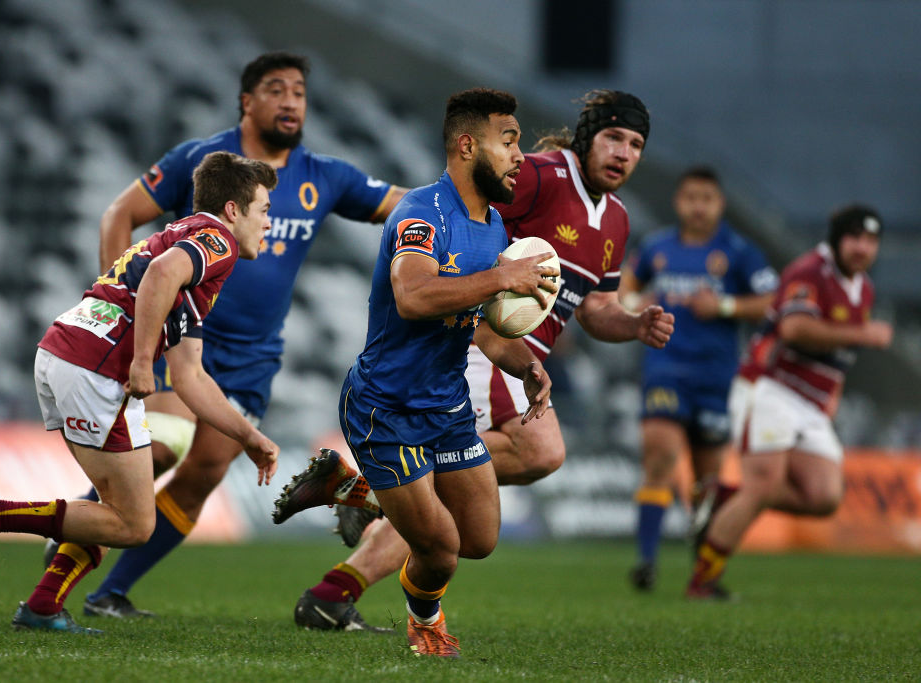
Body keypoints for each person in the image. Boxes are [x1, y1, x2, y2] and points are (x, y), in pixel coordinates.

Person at [272, 90, 674, 631]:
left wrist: (633, 323)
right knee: (540, 450)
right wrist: (493, 280)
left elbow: (597, 308)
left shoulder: (618, 220)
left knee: (462, 527)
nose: (624, 152)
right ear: (586, 138)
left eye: (636, 144)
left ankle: (337, 580)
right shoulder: (542, 176)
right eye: (614, 137)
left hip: (512, 354)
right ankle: (380, 497)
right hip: (476, 341)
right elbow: (465, 211)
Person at [68, 51, 407, 623]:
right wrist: (128, 316)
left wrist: (471, 203)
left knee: (202, 474)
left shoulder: (326, 176)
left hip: (253, 358)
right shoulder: (202, 160)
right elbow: (117, 216)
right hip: (183, 341)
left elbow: (409, 204)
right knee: (160, 453)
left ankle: (108, 594)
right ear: (247, 102)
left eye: (299, 90)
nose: (291, 100)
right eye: (276, 89)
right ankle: (65, 534)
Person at [0, 152, 281, 634]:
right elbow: (159, 276)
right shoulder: (217, 241)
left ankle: (43, 605)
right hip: (94, 369)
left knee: (115, 506)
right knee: (133, 523)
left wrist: (248, 437)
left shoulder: (183, 241)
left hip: (62, 352)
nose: (270, 224)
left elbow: (191, 376)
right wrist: (139, 361)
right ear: (234, 210)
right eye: (264, 210)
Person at [315, 86, 566, 657]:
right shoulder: (422, 213)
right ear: (466, 144)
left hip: (447, 406)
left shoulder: (495, 227)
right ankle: (424, 621)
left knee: (480, 539)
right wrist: (505, 278)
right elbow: (412, 295)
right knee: (442, 548)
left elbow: (477, 324)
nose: (519, 155)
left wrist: (525, 364)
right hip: (387, 407)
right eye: (508, 141)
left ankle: (352, 488)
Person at [686, 204, 892, 599]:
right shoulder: (810, 271)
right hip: (771, 387)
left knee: (824, 496)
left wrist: (833, 393)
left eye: (870, 240)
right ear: (837, 239)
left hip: (811, 403)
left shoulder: (863, 287)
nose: (862, 248)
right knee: (763, 485)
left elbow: (838, 355)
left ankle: (723, 497)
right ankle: (703, 581)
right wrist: (863, 335)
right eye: (854, 238)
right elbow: (795, 328)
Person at [618, 166, 778, 591]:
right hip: (665, 370)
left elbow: (772, 302)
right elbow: (623, 292)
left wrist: (724, 307)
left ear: (719, 203)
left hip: (716, 377)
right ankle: (646, 563)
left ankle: (702, 573)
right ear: (678, 201)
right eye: (691, 197)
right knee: (661, 459)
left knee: (707, 482)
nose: (698, 206)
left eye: (706, 198)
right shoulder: (656, 248)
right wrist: (637, 301)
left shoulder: (739, 251)